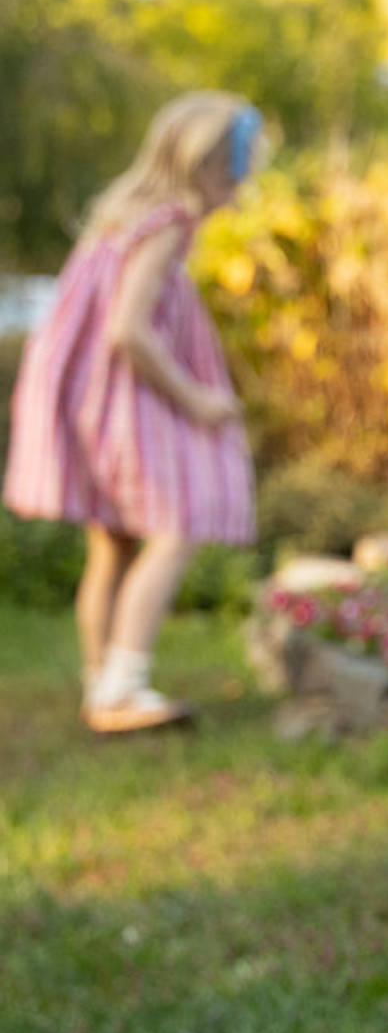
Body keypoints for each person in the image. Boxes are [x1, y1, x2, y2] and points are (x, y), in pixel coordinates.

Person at [4, 91, 262, 734]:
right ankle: (124, 686)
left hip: (88, 401)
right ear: (207, 166)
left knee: (113, 544)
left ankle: (102, 689)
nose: (241, 187)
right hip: (126, 402)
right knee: (177, 528)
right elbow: (128, 329)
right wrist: (196, 398)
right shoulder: (169, 221)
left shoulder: (121, 217)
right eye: (237, 171)